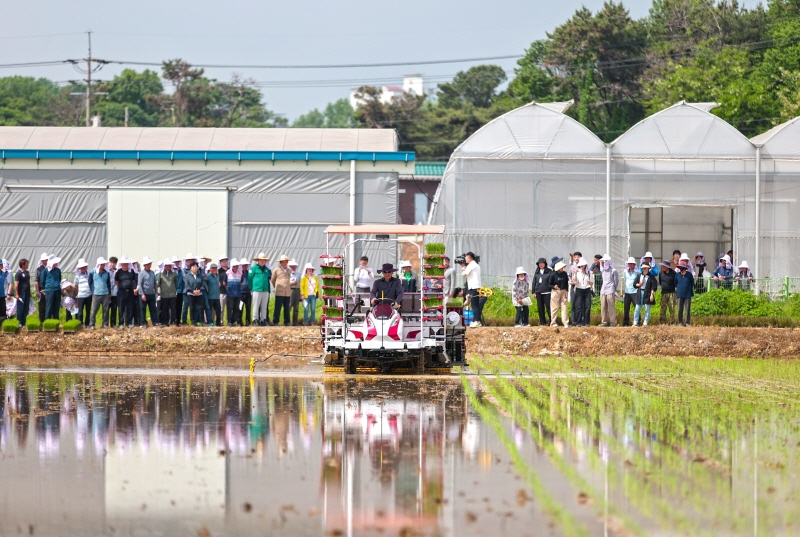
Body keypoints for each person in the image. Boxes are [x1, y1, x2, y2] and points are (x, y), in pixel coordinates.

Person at [88, 257, 112, 329]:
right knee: (94, 310)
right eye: (101, 264)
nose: (103, 265)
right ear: (98, 264)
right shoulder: (93, 272)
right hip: (96, 294)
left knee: (106, 310)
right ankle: (92, 324)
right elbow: (90, 282)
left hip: (105, 294)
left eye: (104, 264)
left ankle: (105, 324)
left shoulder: (106, 273)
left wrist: (109, 292)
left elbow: (108, 283)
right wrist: (93, 291)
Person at [461, 252, 484, 327]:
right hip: (475, 287)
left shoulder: (472, 265)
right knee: (476, 304)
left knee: (474, 305)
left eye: (466, 258)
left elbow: (464, 274)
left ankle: (477, 321)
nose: (465, 259)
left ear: (469, 258)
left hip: (473, 287)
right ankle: (477, 320)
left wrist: (463, 268)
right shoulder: (475, 265)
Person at [115, 257, 137, 329]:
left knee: (130, 308)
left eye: (126, 264)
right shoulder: (118, 272)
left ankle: (129, 323)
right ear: (121, 265)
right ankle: (121, 323)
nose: (124, 266)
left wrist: (133, 289)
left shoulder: (132, 272)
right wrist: (122, 286)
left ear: (128, 264)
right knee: (121, 308)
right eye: (123, 264)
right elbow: (116, 282)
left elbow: (134, 281)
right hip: (121, 292)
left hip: (130, 292)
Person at [249, 253, 271, 326]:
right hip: (256, 289)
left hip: (265, 289)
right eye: (261, 260)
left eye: (264, 260)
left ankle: (263, 319)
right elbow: (249, 279)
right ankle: (255, 319)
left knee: (264, 306)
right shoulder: (253, 268)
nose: (262, 261)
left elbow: (269, 279)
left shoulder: (267, 270)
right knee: (256, 305)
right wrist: (251, 289)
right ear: (258, 260)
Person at [137, 257, 159, 327]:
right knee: (143, 309)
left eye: (149, 264)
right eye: (147, 264)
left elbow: (155, 283)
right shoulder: (141, 273)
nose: (148, 265)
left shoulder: (152, 273)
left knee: (153, 309)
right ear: (144, 265)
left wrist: (156, 292)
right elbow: (140, 284)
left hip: (151, 294)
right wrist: (142, 294)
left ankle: (155, 322)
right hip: (144, 294)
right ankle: (143, 323)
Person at [271, 254, 293, 326]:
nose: (284, 263)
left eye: (286, 262)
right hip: (279, 292)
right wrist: (277, 287)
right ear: (280, 262)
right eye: (283, 262)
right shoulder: (276, 270)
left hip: (287, 292)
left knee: (287, 308)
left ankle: (287, 321)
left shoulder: (289, 270)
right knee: (278, 307)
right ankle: (276, 321)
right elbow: (272, 279)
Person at [570, 258, 592, 327]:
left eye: (583, 265)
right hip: (579, 289)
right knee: (578, 306)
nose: (582, 266)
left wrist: (590, 282)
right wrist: (576, 273)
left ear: (585, 265)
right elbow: (575, 281)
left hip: (587, 289)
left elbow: (592, 283)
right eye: (581, 265)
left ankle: (586, 322)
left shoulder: (589, 272)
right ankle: (578, 322)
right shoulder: (577, 272)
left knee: (587, 306)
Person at [548, 260, 569, 328]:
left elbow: (566, 283)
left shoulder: (565, 274)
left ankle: (565, 322)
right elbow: (549, 284)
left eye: (563, 267)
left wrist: (567, 291)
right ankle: (553, 322)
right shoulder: (553, 274)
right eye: (561, 267)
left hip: (563, 291)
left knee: (564, 307)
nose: (562, 268)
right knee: (554, 307)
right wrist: (554, 286)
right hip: (555, 292)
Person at [183, 261, 205, 326]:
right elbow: (187, 285)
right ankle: (193, 321)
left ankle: (202, 321)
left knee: (201, 307)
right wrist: (192, 291)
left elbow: (203, 284)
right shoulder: (187, 276)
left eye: (196, 267)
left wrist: (200, 290)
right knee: (192, 308)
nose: (195, 268)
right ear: (190, 268)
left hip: (199, 293)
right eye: (193, 267)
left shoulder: (200, 275)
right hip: (191, 294)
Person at [599, 254, 618, 327]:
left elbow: (616, 281)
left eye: (605, 261)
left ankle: (613, 321)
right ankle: (604, 322)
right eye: (603, 261)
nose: (603, 263)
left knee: (611, 307)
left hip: (610, 290)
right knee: (603, 307)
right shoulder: (602, 270)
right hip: (603, 290)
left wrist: (613, 289)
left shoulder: (613, 270)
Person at [532, 258, 552, 326]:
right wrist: (533, 292)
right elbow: (534, 282)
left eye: (542, 263)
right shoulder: (537, 272)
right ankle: (542, 322)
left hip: (547, 292)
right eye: (539, 263)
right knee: (540, 308)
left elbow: (551, 281)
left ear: (545, 264)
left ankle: (552, 321)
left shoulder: (549, 271)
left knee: (549, 308)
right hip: (538, 292)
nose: (540, 264)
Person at [158, 259, 178, 326]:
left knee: (173, 309)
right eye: (166, 265)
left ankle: (173, 322)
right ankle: (165, 322)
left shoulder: (174, 274)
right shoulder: (161, 274)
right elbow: (158, 284)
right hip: (164, 295)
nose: (168, 267)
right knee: (164, 309)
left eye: (169, 265)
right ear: (164, 266)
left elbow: (176, 283)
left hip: (172, 295)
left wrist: (175, 291)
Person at [621, 257, 639, 327]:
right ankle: (625, 322)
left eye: (632, 264)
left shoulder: (637, 272)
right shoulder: (625, 271)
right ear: (628, 264)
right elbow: (625, 280)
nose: (631, 265)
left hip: (635, 291)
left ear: (634, 265)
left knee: (636, 307)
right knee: (626, 308)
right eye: (629, 264)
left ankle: (637, 321)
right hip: (627, 292)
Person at [74, 259, 92, 327]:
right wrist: (80, 292)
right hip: (81, 296)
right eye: (82, 267)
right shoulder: (77, 276)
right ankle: (80, 323)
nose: (83, 268)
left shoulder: (89, 274)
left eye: (84, 267)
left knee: (88, 310)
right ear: (79, 268)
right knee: (80, 311)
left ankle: (87, 324)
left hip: (89, 295)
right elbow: (76, 286)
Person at [675, 261, 695, 326]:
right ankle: (680, 322)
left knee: (687, 309)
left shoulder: (689, 274)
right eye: (680, 267)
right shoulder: (677, 275)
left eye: (682, 267)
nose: (681, 268)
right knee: (680, 309)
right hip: (679, 294)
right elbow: (675, 283)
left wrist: (688, 288)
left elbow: (692, 283)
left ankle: (687, 322)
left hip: (688, 294)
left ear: (685, 268)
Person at [658, 260, 677, 325]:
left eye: (664, 266)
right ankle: (662, 322)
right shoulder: (661, 273)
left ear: (667, 267)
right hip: (663, 293)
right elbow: (660, 282)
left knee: (672, 308)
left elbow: (675, 283)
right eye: (662, 266)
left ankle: (672, 322)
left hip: (672, 293)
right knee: (663, 308)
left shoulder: (674, 273)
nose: (662, 267)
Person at [44, 256, 62, 320]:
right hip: (49, 291)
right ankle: (47, 321)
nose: (56, 264)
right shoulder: (45, 271)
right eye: (55, 263)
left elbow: (59, 279)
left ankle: (56, 321)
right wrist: (48, 287)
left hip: (57, 290)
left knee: (56, 307)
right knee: (49, 306)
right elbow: (42, 281)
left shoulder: (58, 270)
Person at [225, 258, 243, 326]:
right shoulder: (227, 273)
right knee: (230, 308)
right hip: (230, 294)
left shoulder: (240, 273)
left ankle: (234, 321)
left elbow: (241, 283)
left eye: (237, 266)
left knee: (236, 308)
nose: (236, 267)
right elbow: (224, 282)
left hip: (238, 294)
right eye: (235, 265)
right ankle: (229, 321)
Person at [14, 259, 31, 325]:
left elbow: (28, 283)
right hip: (21, 294)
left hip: (27, 293)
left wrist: (30, 293)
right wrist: (17, 294)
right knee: (20, 309)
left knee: (26, 309)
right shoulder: (19, 273)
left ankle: (24, 323)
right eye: (26, 264)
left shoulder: (27, 272)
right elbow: (16, 284)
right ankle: (19, 322)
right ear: (23, 265)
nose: (28, 265)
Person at [206, 262, 222, 327]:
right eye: (213, 268)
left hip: (217, 296)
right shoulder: (208, 276)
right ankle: (210, 322)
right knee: (209, 311)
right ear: (210, 269)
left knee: (218, 310)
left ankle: (218, 322)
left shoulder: (218, 276)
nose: (214, 269)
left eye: (215, 268)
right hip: (210, 296)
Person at [567, 251, 581, 325]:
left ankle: (579, 321)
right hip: (573, 286)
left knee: (579, 305)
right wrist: (570, 281)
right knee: (573, 304)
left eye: (578, 257)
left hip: (580, 287)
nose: (576, 258)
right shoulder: (572, 267)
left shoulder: (583, 266)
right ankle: (573, 321)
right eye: (575, 257)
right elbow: (569, 275)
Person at [35, 253, 49, 324]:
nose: (45, 261)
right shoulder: (39, 269)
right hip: (41, 289)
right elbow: (36, 281)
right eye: (44, 260)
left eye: (46, 259)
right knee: (41, 306)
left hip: (49, 289)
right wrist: (37, 291)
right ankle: (42, 321)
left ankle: (48, 321)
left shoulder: (50, 268)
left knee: (48, 306)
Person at [239, 257, 252, 326]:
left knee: (248, 307)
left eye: (246, 265)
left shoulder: (249, 273)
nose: (244, 266)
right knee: (240, 308)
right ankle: (239, 321)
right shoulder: (239, 273)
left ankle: (248, 321)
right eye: (243, 265)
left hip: (248, 293)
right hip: (241, 293)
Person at [288, 259, 301, 326]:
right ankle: (287, 321)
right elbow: (286, 283)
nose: (293, 267)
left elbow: (300, 282)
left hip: (297, 290)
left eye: (294, 266)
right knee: (289, 305)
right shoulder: (288, 273)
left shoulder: (298, 273)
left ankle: (295, 322)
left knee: (296, 307)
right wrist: (292, 283)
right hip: (291, 290)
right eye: (292, 266)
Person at [108, 256, 119, 328]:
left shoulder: (117, 271)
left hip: (115, 293)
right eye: (111, 262)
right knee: (106, 309)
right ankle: (105, 323)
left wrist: (116, 275)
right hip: (107, 294)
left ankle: (113, 324)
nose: (112, 264)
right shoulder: (106, 271)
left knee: (114, 309)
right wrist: (109, 292)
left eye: (114, 263)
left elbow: (117, 283)